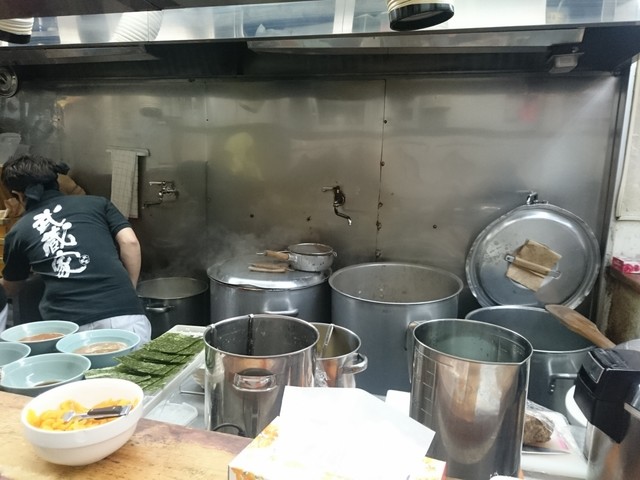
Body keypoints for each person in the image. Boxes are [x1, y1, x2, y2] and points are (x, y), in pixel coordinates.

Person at [0, 154, 151, 343]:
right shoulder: (97, 203)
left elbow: (12, 287)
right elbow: (130, 243)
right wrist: (129, 288)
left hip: (67, 328)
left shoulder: (19, 231)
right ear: (56, 181)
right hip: (124, 318)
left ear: (18, 194)